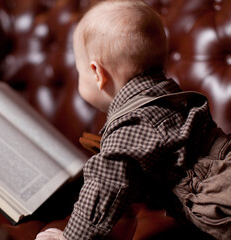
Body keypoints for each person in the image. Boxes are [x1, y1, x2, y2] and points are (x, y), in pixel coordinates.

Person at [36, 0, 231, 239]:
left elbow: (105, 185)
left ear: (98, 73)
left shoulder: (132, 125)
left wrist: (71, 237)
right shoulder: (168, 95)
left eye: (80, 71)